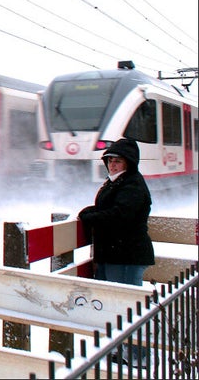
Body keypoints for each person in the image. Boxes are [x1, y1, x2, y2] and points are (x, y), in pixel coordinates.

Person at [78, 137, 154, 367]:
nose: (112, 165)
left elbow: (120, 216)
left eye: (117, 161)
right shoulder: (117, 183)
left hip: (125, 257)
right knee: (116, 306)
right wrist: (91, 211)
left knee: (127, 307)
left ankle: (137, 357)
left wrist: (90, 217)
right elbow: (108, 209)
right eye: (110, 160)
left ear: (129, 162)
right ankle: (122, 351)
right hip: (114, 255)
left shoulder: (132, 185)